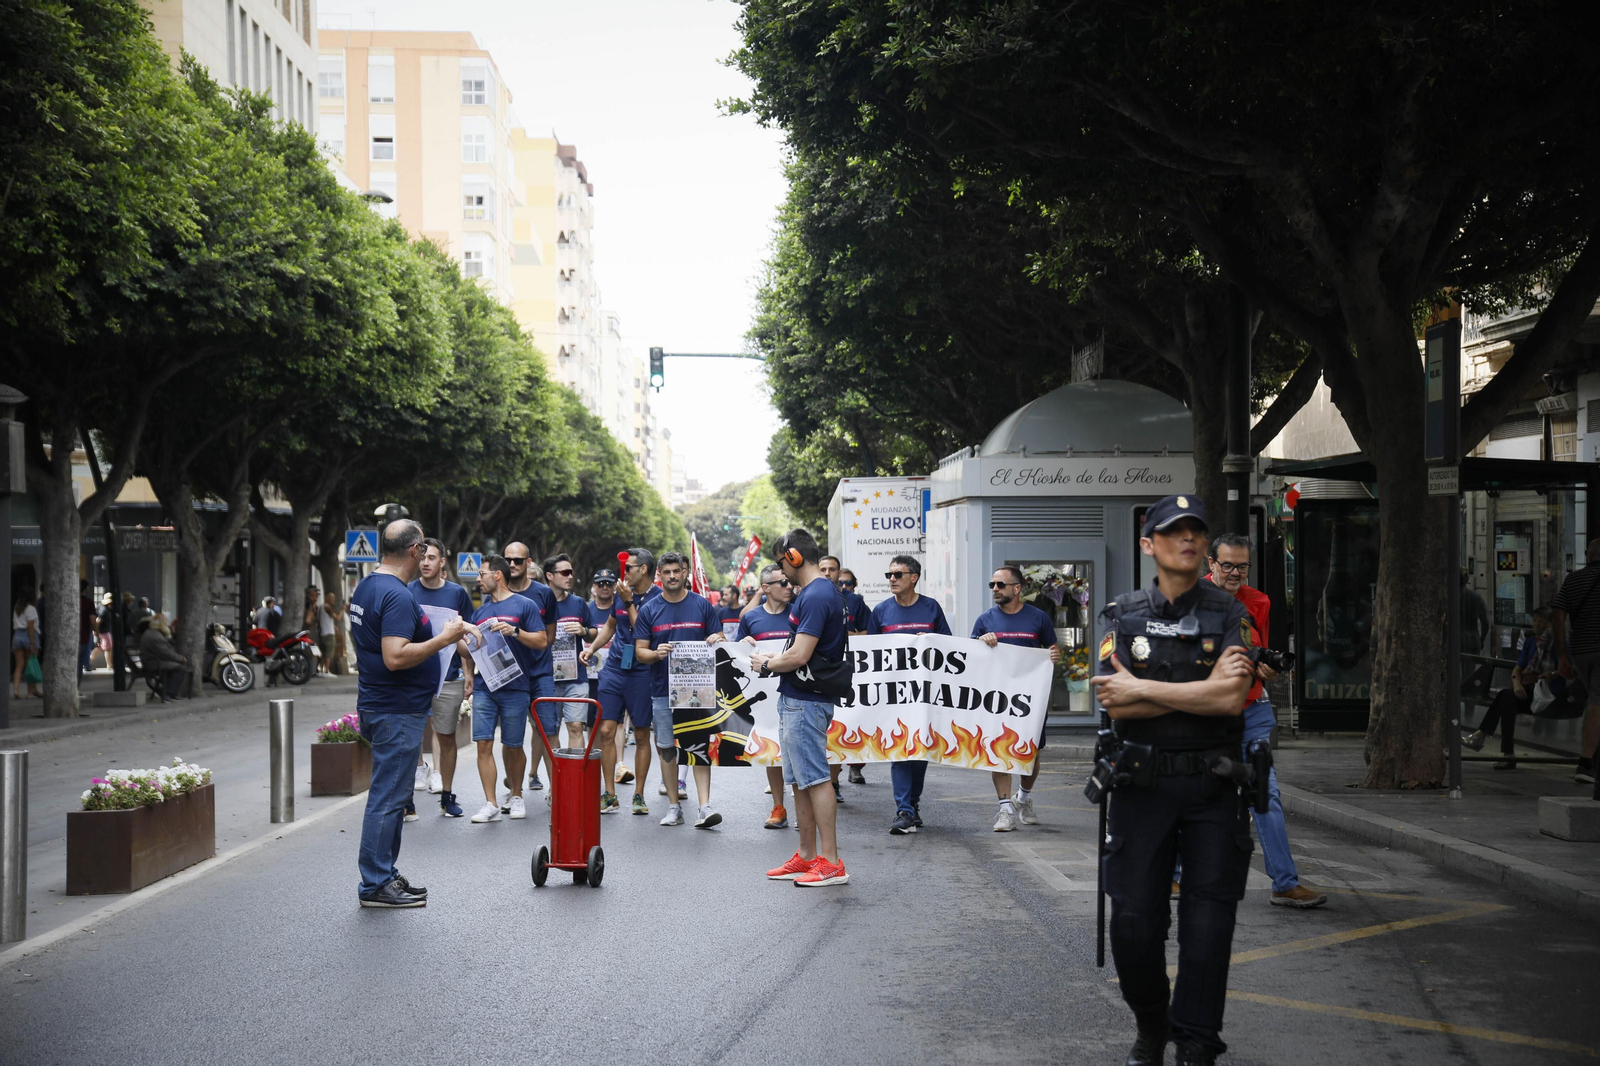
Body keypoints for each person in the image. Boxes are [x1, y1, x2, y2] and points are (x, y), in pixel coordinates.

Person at [1089, 494, 1256, 1066]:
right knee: (1134, 926)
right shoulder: (1123, 614)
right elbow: (1116, 705)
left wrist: (1146, 690)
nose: (1187, 539)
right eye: (1173, 531)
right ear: (1148, 544)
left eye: (1195, 531)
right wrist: (1196, 695)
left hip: (1214, 787)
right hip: (1142, 786)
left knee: (1208, 930)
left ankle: (1196, 1046)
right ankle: (1152, 1024)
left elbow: (1233, 697)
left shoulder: (1233, 614)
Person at [348, 519, 466, 908]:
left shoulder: (367, 585)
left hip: (382, 705)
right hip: (395, 710)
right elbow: (395, 655)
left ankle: (384, 873)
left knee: (392, 797)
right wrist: (443, 639)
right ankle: (375, 883)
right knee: (388, 798)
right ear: (415, 550)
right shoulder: (396, 595)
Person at [1204, 534, 1326, 909]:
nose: (1236, 572)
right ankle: (1175, 877)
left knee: (1266, 795)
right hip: (1204, 715)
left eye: (1243, 566)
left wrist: (1264, 668)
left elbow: (1262, 653)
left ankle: (1284, 883)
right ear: (1210, 564)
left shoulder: (1259, 601)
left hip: (1252, 712)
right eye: (1228, 565)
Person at [753, 528, 850, 887]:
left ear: (793, 557)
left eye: (782, 564)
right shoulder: (818, 592)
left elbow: (800, 654)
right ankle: (808, 855)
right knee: (798, 781)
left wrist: (766, 664)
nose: (781, 573)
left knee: (816, 779)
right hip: (798, 699)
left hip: (807, 703)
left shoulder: (816, 594)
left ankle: (832, 862)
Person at [635, 551, 726, 828]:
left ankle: (705, 806)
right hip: (663, 690)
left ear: (685, 572)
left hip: (697, 689)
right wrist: (655, 653)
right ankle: (674, 807)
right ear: (658, 575)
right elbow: (640, 653)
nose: (672, 576)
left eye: (677, 571)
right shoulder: (649, 609)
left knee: (698, 746)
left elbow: (720, 639)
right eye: (667, 572)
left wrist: (716, 637)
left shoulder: (702, 606)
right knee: (666, 749)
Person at [972, 566, 1060, 831]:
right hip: (996, 696)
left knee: (1031, 751)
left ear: (1017, 588)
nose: (995, 589)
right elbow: (970, 658)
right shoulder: (985, 620)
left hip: (1031, 697)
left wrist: (1054, 656)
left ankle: (1022, 798)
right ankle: (1004, 809)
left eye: (1000, 585)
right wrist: (980, 641)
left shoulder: (1039, 618)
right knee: (1000, 749)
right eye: (993, 585)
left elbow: (1051, 649)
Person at [868, 555, 951, 834]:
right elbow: (870, 654)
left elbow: (947, 648)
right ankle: (903, 809)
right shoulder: (880, 611)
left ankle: (912, 805)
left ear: (913, 578)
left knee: (920, 751)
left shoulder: (931, 608)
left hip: (926, 696)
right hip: (893, 695)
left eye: (897, 575)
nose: (892, 579)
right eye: (889, 575)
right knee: (900, 748)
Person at [467, 554, 549, 823]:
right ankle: (490, 803)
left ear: (497, 575)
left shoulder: (524, 606)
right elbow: (466, 649)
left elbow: (541, 641)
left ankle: (516, 795)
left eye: (482, 574)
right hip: (484, 686)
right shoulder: (479, 612)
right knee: (482, 743)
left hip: (516, 686)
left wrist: (514, 632)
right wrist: (456, 635)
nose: (478, 579)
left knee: (513, 745)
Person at [583, 550, 661, 815]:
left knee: (640, 733)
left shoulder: (658, 598)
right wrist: (592, 648)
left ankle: (638, 795)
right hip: (615, 668)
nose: (623, 573)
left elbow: (646, 632)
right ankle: (609, 793)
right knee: (605, 730)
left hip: (642, 671)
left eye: (629, 568)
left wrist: (630, 603)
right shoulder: (621, 591)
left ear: (644, 570)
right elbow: (610, 625)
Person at [409, 539, 475, 817]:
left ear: (442, 562)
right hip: (411, 676)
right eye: (422, 557)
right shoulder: (407, 591)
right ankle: (405, 801)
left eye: (432, 558)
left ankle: (447, 796)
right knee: (409, 738)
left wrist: (468, 672)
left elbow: (467, 638)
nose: (425, 562)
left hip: (448, 678)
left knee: (446, 737)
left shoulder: (457, 593)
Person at [1466, 607, 1572, 770]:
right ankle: (1506, 753)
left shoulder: (1560, 644)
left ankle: (1482, 737)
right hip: (1529, 691)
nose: (1536, 624)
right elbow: (1518, 668)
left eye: (1541, 621)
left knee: (1505, 697)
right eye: (1535, 620)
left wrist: (1552, 674)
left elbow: (1568, 671)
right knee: (1507, 700)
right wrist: (1517, 685)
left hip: (1549, 695)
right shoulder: (1531, 642)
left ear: (1551, 624)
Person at [737, 564, 797, 828]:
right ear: (765, 588)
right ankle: (779, 807)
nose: (788, 587)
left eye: (788, 582)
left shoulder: (798, 613)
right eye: (782, 583)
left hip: (795, 690)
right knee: (772, 749)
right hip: (765, 695)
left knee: (797, 750)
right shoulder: (751, 618)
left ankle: (804, 808)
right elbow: (736, 654)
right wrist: (744, 644)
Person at [502, 540, 558, 791]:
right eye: (507, 560)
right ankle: (515, 792)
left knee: (549, 731)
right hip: (509, 676)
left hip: (540, 674)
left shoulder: (543, 593)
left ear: (528, 562)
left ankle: (557, 791)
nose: (511, 564)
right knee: (511, 737)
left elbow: (548, 637)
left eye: (517, 560)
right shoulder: (497, 591)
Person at [1553, 538, 1600, 784]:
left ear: (1588, 556)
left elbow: (1558, 617)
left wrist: (1562, 655)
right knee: (1596, 702)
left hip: (1581, 651)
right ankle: (1585, 763)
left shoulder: (1573, 580)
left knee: (1594, 700)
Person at [545, 554, 599, 751]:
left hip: (576, 677)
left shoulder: (578, 603)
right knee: (551, 731)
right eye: (565, 573)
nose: (570, 577)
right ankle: (557, 779)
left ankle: (576, 778)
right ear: (550, 576)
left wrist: (583, 631)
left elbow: (593, 633)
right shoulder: (538, 602)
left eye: (571, 573)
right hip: (547, 678)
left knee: (576, 727)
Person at [835, 565, 872, 784]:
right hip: (832, 669)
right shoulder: (820, 598)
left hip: (857, 666)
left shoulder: (856, 602)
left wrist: (852, 635)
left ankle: (856, 766)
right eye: (842, 582)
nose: (844, 586)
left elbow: (870, 631)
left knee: (857, 716)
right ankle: (833, 777)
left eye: (847, 583)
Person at [136, 613, 188, 702]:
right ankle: (167, 692)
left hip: (153, 660)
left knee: (176, 667)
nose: (166, 624)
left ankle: (170, 692)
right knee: (179, 668)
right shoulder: (155, 636)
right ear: (160, 624)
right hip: (154, 663)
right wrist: (181, 658)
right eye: (165, 622)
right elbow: (165, 653)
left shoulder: (153, 633)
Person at [11, 589, 39, 700]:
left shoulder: (17, 608)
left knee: (19, 666)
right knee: (30, 665)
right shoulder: (31, 609)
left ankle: (16, 689)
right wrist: (32, 642)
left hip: (17, 636)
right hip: (27, 635)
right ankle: (29, 692)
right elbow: (31, 627)